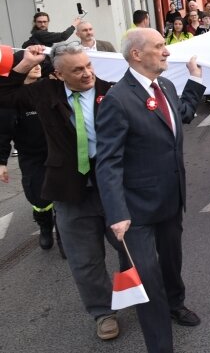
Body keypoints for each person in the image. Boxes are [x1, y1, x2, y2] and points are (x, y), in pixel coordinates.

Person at [0, 42, 124, 341]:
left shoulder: (112, 91)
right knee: (85, 258)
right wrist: (25, 64)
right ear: (58, 74)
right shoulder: (44, 94)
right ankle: (103, 312)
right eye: (77, 70)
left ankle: (139, 295)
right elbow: (3, 96)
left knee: (134, 248)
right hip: (70, 189)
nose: (86, 74)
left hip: (114, 186)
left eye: (88, 66)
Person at [96, 28, 205, 353]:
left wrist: (195, 80)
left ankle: (176, 303)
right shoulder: (118, 100)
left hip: (171, 201)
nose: (167, 52)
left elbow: (183, 115)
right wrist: (116, 213)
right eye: (159, 47)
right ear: (136, 55)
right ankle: (161, 346)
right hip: (135, 212)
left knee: (171, 261)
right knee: (148, 281)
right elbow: (108, 162)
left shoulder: (167, 86)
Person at [0, 59, 64, 255]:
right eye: (29, 65)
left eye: (37, 64)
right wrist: (2, 162)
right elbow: (3, 132)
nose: (35, 67)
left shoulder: (48, 89)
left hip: (59, 153)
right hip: (31, 156)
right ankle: (45, 224)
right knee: (38, 197)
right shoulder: (12, 100)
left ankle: (64, 234)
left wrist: (39, 56)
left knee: (64, 195)